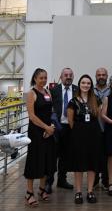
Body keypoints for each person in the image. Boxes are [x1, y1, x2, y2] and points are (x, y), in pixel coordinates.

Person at [67, 74, 104, 204]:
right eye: (83, 83)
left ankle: (89, 191)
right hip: (78, 136)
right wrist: (79, 131)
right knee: (79, 164)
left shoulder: (96, 99)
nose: (86, 85)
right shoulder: (73, 101)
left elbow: (98, 116)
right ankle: (78, 192)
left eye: (88, 83)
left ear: (91, 85)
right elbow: (70, 121)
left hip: (94, 135)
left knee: (91, 164)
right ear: (79, 84)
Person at [24, 68, 56, 206]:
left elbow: (52, 111)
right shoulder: (32, 93)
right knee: (34, 160)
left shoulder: (48, 92)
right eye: (41, 78)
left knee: (47, 160)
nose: (43, 80)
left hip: (48, 132)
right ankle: (29, 193)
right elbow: (32, 116)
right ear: (35, 78)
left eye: (45, 77)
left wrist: (51, 128)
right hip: (36, 132)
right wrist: (46, 127)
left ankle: (42, 190)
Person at [46, 67, 78, 193]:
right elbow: (48, 108)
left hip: (70, 127)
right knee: (53, 155)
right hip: (56, 127)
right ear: (61, 76)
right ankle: (49, 182)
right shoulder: (53, 90)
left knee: (65, 155)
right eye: (66, 75)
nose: (68, 77)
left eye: (70, 75)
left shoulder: (77, 90)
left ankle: (62, 180)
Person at [93, 67, 110, 190]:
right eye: (99, 75)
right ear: (96, 76)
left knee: (107, 156)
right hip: (94, 128)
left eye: (103, 75)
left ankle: (106, 180)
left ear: (107, 76)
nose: (101, 77)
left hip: (108, 127)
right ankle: (94, 181)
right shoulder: (90, 90)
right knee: (95, 155)